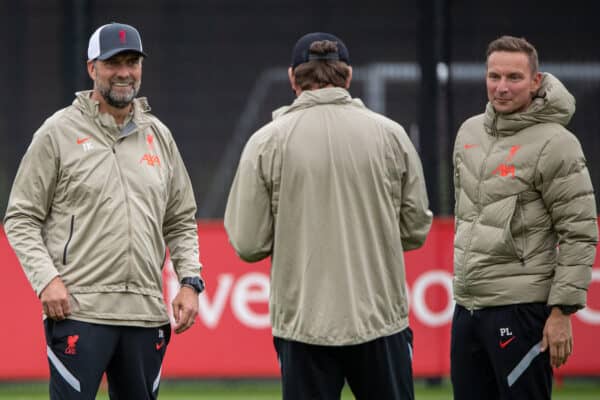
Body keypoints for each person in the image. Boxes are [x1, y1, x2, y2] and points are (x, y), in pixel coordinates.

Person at [224, 32, 433, 400]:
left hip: (304, 325)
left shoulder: (267, 141)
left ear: (293, 78)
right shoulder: (392, 135)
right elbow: (415, 230)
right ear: (348, 77)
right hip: (380, 320)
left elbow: (248, 242)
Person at [4, 22, 205, 399]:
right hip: (80, 310)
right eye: (114, 63)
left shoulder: (159, 136)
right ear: (92, 68)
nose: (125, 72)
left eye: (132, 62)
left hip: (146, 312)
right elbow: (21, 217)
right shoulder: (57, 132)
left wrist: (190, 281)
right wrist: (46, 280)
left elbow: (179, 220)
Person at [451, 35, 598, 399]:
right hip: (467, 307)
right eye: (494, 76)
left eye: (514, 78)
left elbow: (579, 233)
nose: (501, 88)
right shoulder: (468, 132)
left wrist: (562, 311)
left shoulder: (557, 143)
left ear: (536, 81)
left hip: (521, 312)